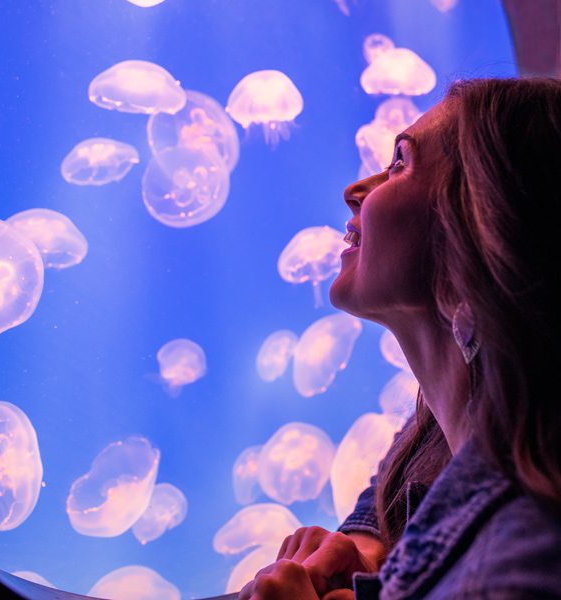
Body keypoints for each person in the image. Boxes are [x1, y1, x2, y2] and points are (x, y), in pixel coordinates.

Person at [238, 77, 561, 599]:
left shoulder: (520, 559)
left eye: (400, 163)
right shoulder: (453, 422)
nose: (353, 191)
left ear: (485, 228)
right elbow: (416, 450)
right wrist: (366, 549)